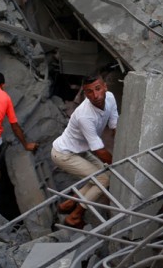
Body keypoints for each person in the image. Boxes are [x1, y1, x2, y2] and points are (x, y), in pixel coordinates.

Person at [51, 74, 118, 228]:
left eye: (98, 89)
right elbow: (100, 151)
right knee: (103, 179)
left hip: (81, 151)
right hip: (63, 154)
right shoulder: (85, 116)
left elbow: (114, 125)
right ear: (84, 94)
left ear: (105, 87)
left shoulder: (110, 98)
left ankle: (68, 204)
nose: (95, 95)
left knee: (101, 175)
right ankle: (74, 216)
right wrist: (118, 164)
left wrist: (121, 146)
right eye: (89, 92)